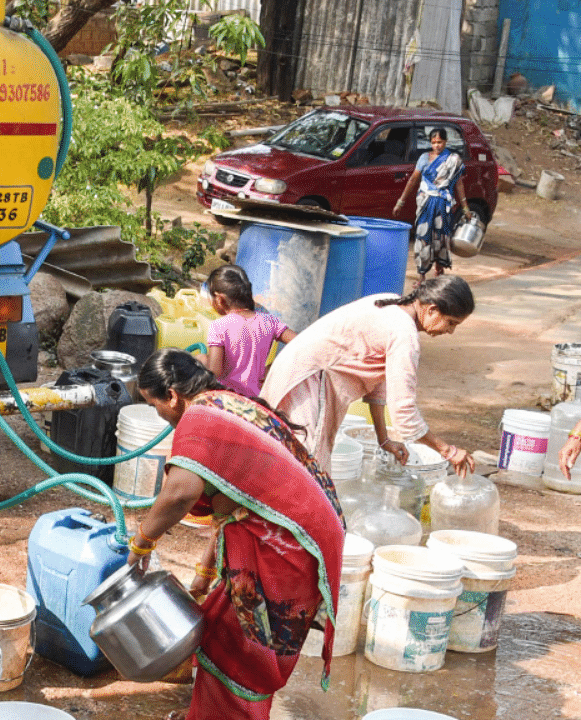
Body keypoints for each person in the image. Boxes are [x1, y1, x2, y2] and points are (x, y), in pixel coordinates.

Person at [127, 349, 344, 720]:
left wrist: (140, 545)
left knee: (240, 648)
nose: (159, 415)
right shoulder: (226, 404)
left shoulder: (198, 420)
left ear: (173, 396)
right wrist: (206, 574)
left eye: (153, 405)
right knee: (218, 624)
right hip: (301, 536)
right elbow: (233, 507)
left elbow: (180, 494)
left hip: (289, 548)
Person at [259, 275, 477, 475]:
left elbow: (379, 382)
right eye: (451, 323)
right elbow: (404, 412)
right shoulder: (404, 335)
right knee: (303, 470)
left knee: (282, 458)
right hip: (308, 382)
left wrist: (384, 439)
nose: (450, 331)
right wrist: (448, 451)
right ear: (432, 309)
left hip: (297, 371)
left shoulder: (392, 302)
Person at [204, 265, 297, 396]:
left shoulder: (218, 326)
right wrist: (272, 368)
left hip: (225, 399)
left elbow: (214, 372)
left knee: (200, 358)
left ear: (219, 299)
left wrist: (200, 362)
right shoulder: (270, 321)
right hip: (255, 399)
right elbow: (300, 342)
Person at [394, 127, 471, 280]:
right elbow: (413, 180)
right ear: (430, 142)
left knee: (441, 238)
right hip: (425, 203)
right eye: (434, 142)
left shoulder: (453, 160)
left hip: (443, 205)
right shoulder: (423, 158)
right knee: (423, 236)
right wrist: (400, 202)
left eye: (440, 142)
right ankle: (421, 275)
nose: (437, 145)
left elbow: (459, 184)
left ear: (446, 141)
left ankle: (439, 271)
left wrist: (465, 207)